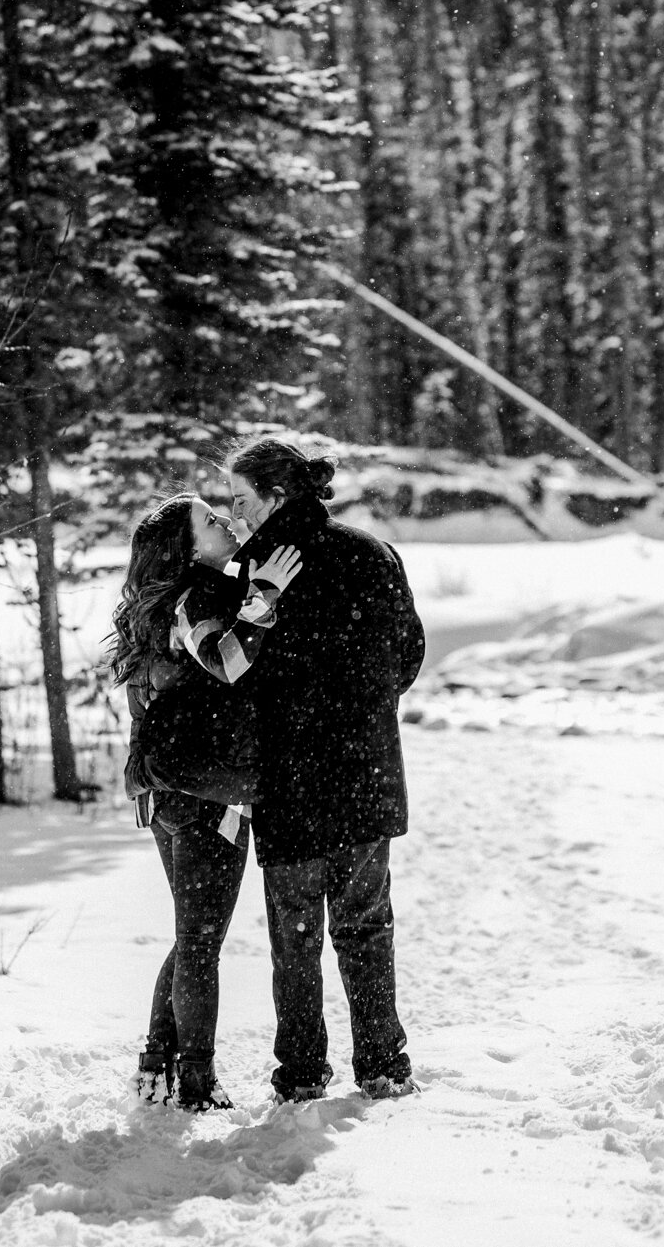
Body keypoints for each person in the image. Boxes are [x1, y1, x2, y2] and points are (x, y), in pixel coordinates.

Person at [226, 437, 426, 1103]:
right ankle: (384, 1063)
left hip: (290, 778)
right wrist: (366, 710)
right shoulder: (371, 551)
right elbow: (409, 655)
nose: (235, 512)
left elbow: (236, 675)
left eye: (243, 499)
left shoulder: (256, 569)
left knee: (296, 934)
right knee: (366, 924)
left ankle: (304, 1070)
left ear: (277, 497)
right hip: (366, 770)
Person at [109, 494, 302, 1111]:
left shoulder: (170, 601)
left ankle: (157, 1068)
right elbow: (224, 661)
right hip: (203, 794)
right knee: (199, 940)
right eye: (210, 522)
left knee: (193, 935)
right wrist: (266, 600)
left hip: (175, 790)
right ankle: (195, 1082)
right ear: (187, 548)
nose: (225, 523)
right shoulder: (197, 597)